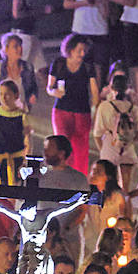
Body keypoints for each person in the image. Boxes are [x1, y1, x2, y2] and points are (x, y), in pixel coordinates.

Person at [48, 34, 100, 174]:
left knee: (81, 149)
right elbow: (49, 88)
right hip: (62, 111)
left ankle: (79, 180)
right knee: (62, 146)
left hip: (82, 112)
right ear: (70, 50)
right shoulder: (59, 63)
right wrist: (54, 93)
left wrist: (95, 111)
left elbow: (95, 91)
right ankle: (62, 177)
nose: (82, 53)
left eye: (84, 50)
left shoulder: (87, 66)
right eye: (79, 50)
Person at [61, 0, 112, 81]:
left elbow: (110, 5)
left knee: (100, 65)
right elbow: (66, 3)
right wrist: (83, 3)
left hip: (100, 28)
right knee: (81, 63)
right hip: (81, 28)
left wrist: (104, 1)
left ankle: (98, 95)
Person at [93, 72, 138, 192]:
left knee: (108, 188)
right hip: (127, 150)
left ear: (111, 88)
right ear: (127, 89)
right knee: (126, 188)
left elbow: (97, 134)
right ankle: (125, 208)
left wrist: (103, 150)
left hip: (109, 150)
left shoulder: (104, 106)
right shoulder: (133, 108)